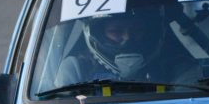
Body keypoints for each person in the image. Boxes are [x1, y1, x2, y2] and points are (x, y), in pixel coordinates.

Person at [56, 7, 200, 89]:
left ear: (149, 32)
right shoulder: (76, 68)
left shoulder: (179, 68)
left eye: (137, 30)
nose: (127, 38)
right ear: (99, 35)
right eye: (116, 32)